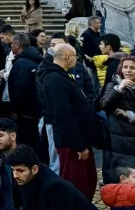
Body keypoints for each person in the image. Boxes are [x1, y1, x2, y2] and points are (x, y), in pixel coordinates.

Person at [38, 43, 99, 200]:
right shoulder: (54, 79)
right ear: (67, 57)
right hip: (71, 142)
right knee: (75, 183)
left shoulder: (62, 75)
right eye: (74, 57)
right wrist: (79, 145)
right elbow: (63, 115)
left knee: (87, 181)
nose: (75, 60)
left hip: (79, 137)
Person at [6, 144, 98, 210]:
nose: (15, 175)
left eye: (20, 171)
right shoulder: (25, 178)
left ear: (34, 169)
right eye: (13, 170)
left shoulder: (55, 187)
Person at [100, 56, 135, 184]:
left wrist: (131, 114)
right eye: (125, 67)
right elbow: (105, 104)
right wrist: (119, 89)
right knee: (117, 175)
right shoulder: (113, 84)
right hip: (115, 137)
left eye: (132, 68)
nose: (128, 71)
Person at [8, 32, 43, 154]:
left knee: (27, 142)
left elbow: (19, 88)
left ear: (17, 45)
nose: (11, 46)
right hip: (34, 108)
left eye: (12, 44)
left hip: (25, 111)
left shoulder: (22, 63)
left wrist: (14, 109)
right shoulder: (35, 59)